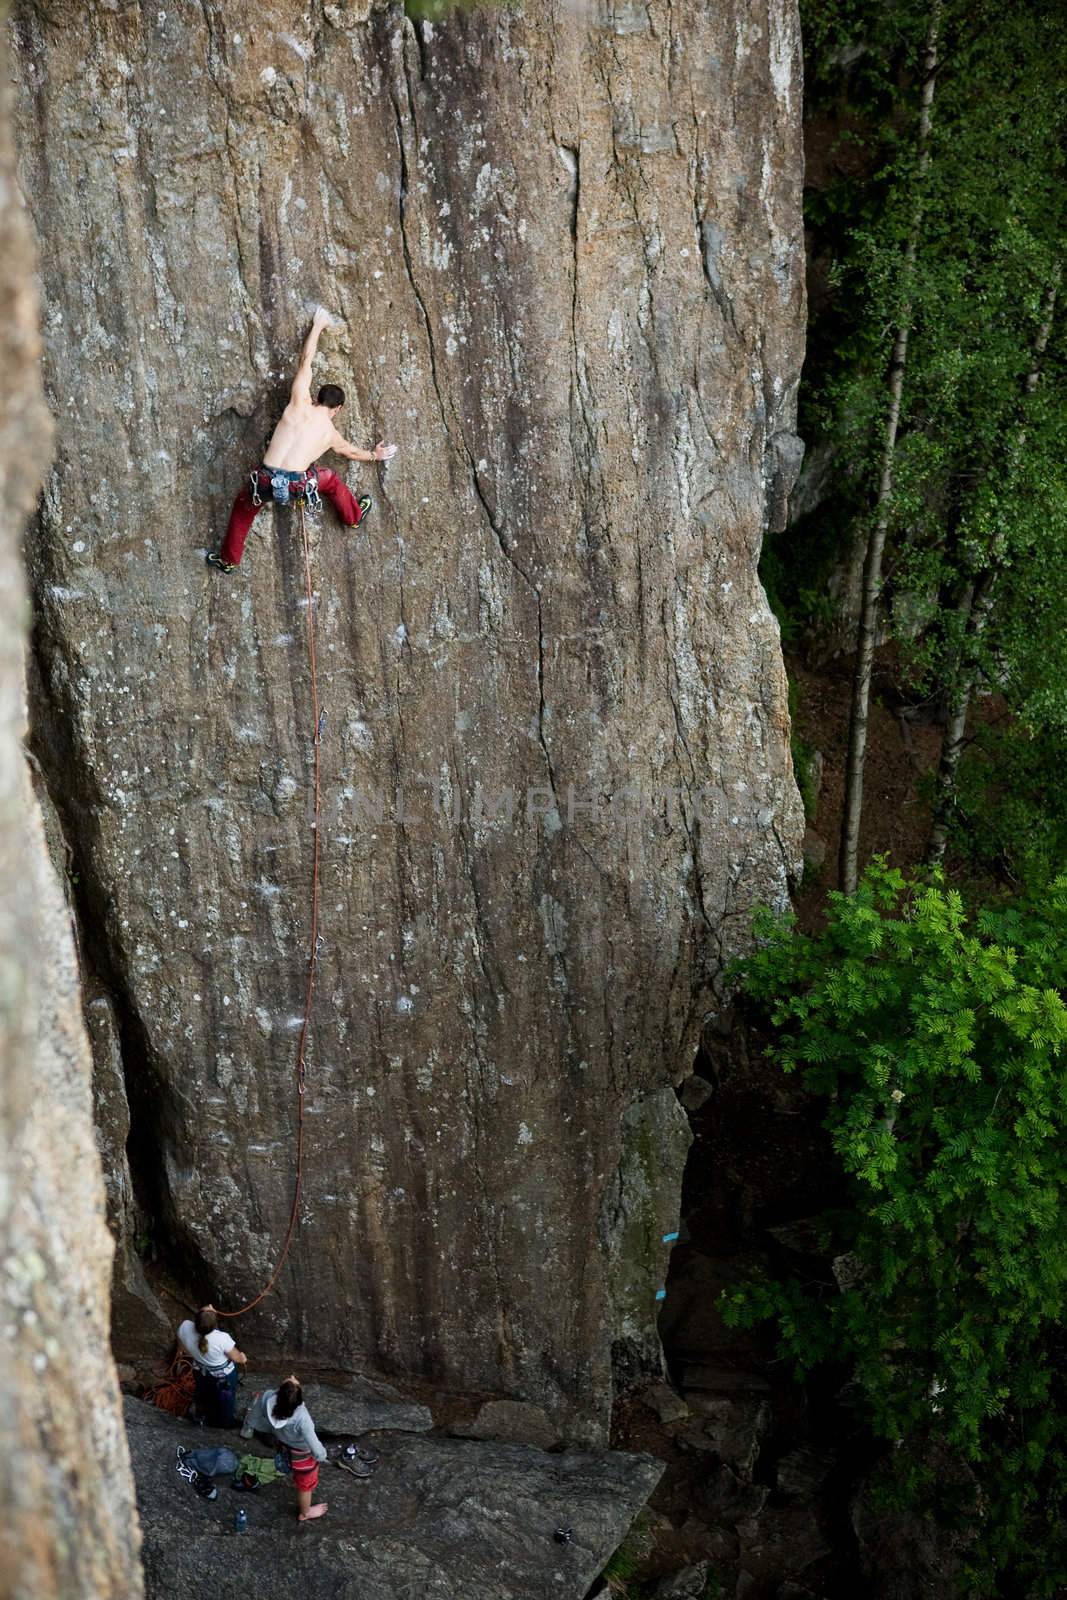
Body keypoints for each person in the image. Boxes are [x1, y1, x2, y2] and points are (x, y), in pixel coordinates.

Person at [206, 307, 399, 573]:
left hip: (264, 480)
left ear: (317, 397)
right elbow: (352, 453)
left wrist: (318, 325)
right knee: (329, 479)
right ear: (338, 409)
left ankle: (228, 561)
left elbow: (306, 360)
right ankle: (353, 517)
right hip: (298, 486)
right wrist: (376, 455)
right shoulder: (330, 433)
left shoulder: (298, 402)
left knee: (243, 509)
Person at [240, 1374, 329, 1521]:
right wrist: (322, 1455)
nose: (293, 1376)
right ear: (299, 1402)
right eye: (293, 1381)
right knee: (305, 1485)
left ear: (278, 1392)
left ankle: (287, 1467)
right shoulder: (302, 1417)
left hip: (283, 1444)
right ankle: (305, 1513)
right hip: (303, 1453)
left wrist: (270, 1429)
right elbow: (317, 1452)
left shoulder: (266, 1396)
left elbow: (252, 1421)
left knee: (287, 1463)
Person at [176, 1304, 248, 1426]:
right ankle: (226, 1422)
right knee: (226, 1400)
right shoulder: (222, 1338)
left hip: (200, 1371)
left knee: (202, 1393)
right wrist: (243, 1357)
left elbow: (182, 1348)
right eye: (208, 1308)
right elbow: (237, 1358)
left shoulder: (185, 1327)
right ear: (215, 1325)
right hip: (223, 1376)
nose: (210, 1305)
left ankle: (201, 1415)